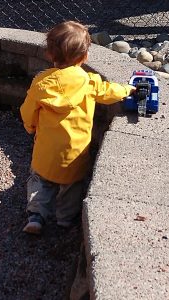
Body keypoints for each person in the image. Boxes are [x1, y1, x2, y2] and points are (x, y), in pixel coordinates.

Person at [20, 20, 135, 234]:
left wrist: (30, 126)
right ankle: (65, 219)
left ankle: (36, 215)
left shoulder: (41, 83)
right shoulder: (89, 83)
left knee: (39, 179)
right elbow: (110, 92)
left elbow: (27, 111)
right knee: (71, 187)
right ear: (84, 57)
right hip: (75, 152)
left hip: (46, 150)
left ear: (50, 54)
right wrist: (128, 89)